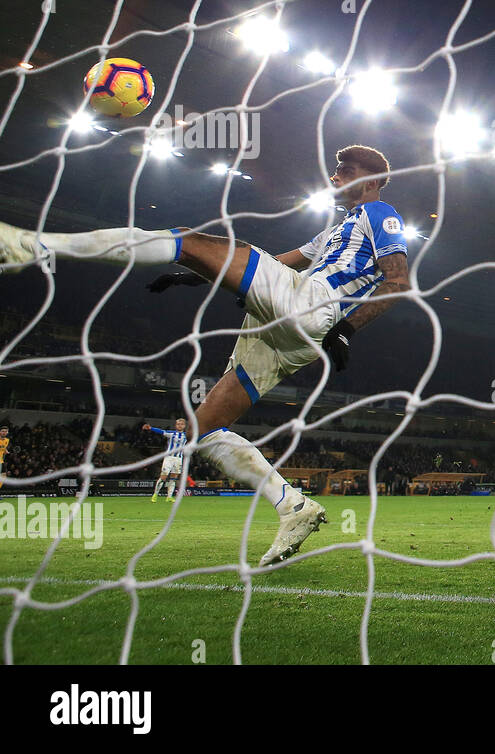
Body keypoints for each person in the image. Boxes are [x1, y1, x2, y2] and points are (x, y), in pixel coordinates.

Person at [0, 146, 410, 566]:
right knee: (204, 428)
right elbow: (277, 263)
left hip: (312, 307)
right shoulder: (333, 231)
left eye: (348, 169)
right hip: (285, 331)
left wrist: (347, 328)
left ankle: (34, 246)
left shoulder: (380, 214)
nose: (336, 174)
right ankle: (293, 507)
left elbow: (398, 280)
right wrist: (196, 273)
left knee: (186, 238)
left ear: (374, 181)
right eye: (337, 167)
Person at [142, 418, 188, 503]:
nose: (180, 425)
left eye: (181, 424)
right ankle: (155, 494)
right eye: (178, 424)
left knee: (174, 478)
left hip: (179, 458)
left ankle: (169, 497)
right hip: (169, 458)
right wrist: (151, 428)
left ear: (184, 426)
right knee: (163, 477)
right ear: (175, 425)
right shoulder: (171, 434)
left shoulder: (187, 435)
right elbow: (161, 431)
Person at [0, 426, 8, 490]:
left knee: (3, 476)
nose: (4, 432)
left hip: (1, 461)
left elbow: (4, 448)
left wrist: (6, 451)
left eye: (5, 431)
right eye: (2, 431)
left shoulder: (7, 440)